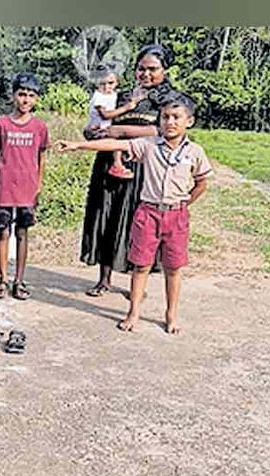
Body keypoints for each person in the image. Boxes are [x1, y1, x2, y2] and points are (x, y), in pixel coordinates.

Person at [58, 93, 212, 335]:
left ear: (189, 121)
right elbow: (115, 144)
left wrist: (185, 203)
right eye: (165, 117)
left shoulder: (194, 152)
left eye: (176, 117)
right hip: (148, 214)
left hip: (176, 216)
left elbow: (202, 183)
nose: (170, 122)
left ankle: (171, 315)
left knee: (173, 268)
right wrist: (78, 145)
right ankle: (133, 312)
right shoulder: (148, 145)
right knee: (141, 266)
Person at [80, 44, 177, 298]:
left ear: (165, 70)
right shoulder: (120, 95)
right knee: (106, 216)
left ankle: (137, 285)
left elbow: (161, 131)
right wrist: (91, 132)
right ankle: (104, 279)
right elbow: (100, 121)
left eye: (152, 69)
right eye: (141, 69)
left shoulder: (169, 100)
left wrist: (120, 131)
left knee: (138, 224)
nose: (145, 74)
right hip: (109, 162)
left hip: (143, 166)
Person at [0, 72, 49, 301]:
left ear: (36, 99)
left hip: (28, 190)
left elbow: (41, 157)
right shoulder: (1, 124)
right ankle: (3, 278)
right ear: (13, 95)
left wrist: (37, 185)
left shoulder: (39, 127)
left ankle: (19, 280)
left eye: (31, 96)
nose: (25, 100)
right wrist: (6, 171)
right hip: (6, 189)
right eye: (22, 94)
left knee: (22, 232)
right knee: (3, 231)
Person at [86, 67, 133, 180]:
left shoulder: (113, 94)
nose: (107, 87)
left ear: (117, 82)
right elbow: (105, 115)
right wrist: (126, 108)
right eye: (102, 84)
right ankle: (117, 164)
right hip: (98, 129)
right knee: (117, 140)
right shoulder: (99, 97)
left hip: (106, 127)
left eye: (111, 83)